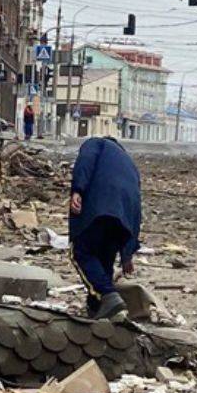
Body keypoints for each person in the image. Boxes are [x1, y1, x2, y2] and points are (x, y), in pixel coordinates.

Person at [69, 137, 142, 320]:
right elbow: (136, 211)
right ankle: (98, 310)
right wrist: (127, 253)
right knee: (104, 261)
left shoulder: (97, 143)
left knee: (81, 252)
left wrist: (78, 189)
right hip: (123, 219)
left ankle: (108, 296)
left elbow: (85, 161)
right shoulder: (130, 165)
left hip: (99, 208)